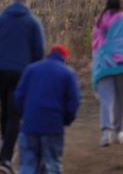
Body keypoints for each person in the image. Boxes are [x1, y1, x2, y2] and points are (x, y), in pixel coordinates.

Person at [0, 0, 46, 174]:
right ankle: (6, 159)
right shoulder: (33, 21)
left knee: (5, 107)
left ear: (10, 5)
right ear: (26, 6)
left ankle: (4, 144)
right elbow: (39, 51)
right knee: (14, 114)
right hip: (21, 72)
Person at [14, 44, 81, 174]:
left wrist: (25, 115)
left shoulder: (30, 69)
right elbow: (74, 101)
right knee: (52, 164)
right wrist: (66, 120)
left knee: (28, 165)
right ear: (65, 57)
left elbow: (18, 96)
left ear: (49, 54)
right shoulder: (68, 73)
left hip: (29, 126)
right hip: (53, 126)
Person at [91, 0, 123, 147]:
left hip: (104, 65)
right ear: (121, 4)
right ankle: (118, 133)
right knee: (120, 100)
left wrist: (96, 63)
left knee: (106, 100)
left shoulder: (100, 21)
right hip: (122, 65)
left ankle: (106, 134)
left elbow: (95, 45)